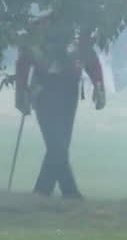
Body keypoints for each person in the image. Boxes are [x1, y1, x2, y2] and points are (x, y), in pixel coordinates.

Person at [15, 14, 106, 199]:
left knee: (60, 144)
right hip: (44, 90)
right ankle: (60, 192)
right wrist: (21, 92)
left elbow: (90, 59)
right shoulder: (37, 30)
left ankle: (50, 192)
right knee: (57, 144)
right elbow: (24, 61)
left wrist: (98, 84)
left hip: (68, 91)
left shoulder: (79, 32)